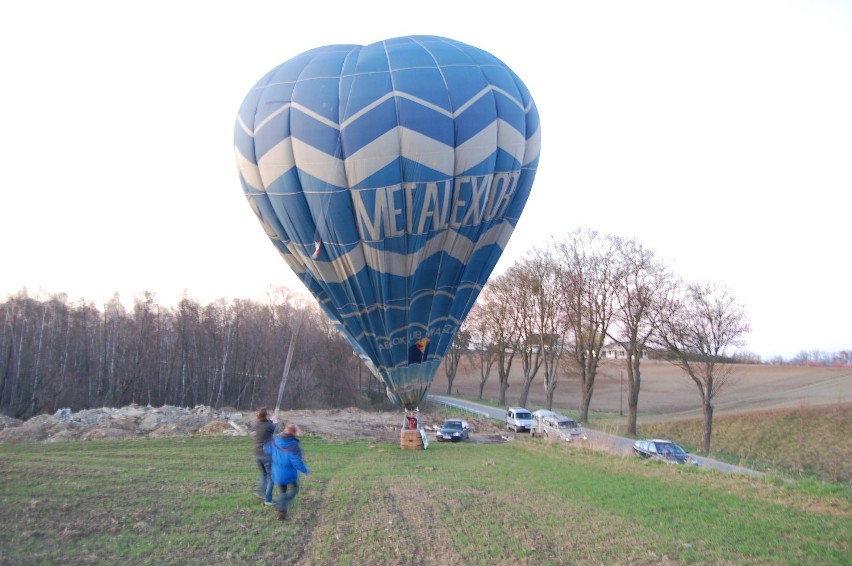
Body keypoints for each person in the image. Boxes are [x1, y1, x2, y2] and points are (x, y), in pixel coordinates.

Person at [264, 422, 310, 520]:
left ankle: (282, 513)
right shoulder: (294, 445)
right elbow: (297, 462)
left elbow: (266, 450)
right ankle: (282, 503)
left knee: (283, 491)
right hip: (289, 474)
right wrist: (305, 471)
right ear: (294, 433)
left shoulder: (275, 440)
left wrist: (270, 440)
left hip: (276, 472)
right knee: (295, 489)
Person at [253, 407, 277, 505]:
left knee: (263, 474)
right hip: (266, 455)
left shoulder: (257, 424)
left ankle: (261, 492)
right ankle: (268, 500)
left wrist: (272, 421)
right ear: (266, 414)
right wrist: (275, 421)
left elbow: (267, 425)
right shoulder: (269, 425)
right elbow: (276, 429)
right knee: (272, 477)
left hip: (256, 454)